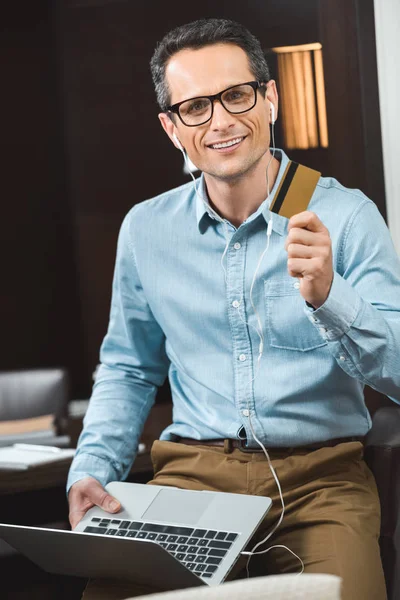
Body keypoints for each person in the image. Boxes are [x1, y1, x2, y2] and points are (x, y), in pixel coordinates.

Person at [67, 18, 400, 600]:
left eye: (236, 95)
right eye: (194, 107)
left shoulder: (346, 216)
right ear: (173, 129)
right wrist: (92, 467)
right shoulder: (146, 229)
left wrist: (331, 298)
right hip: (193, 480)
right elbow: (127, 367)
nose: (220, 120)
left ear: (269, 99)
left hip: (320, 482)